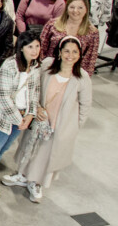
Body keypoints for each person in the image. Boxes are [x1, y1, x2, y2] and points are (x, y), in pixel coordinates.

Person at [11, 37, 92, 202]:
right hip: (39, 119)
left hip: (59, 126)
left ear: (80, 55)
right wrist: (37, 108)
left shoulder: (82, 78)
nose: (70, 55)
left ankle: (36, 183)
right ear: (60, 52)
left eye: (75, 52)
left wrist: (74, 127)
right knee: (29, 146)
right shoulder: (48, 66)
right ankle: (22, 175)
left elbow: (85, 106)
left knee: (45, 155)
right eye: (67, 51)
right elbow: (34, 87)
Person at [0, 31, 42, 206]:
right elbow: (3, 98)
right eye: (30, 47)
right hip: (4, 117)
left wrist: (30, 115)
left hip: (21, 119)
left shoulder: (35, 67)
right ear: (21, 48)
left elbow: (34, 94)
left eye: (37, 46)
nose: (34, 50)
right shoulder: (9, 66)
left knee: (0, 152)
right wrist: (19, 119)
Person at [40, 0, 100, 76]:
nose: (75, 11)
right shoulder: (52, 24)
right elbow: (42, 48)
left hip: (74, 74)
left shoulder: (92, 32)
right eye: (72, 7)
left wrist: (83, 79)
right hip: (50, 70)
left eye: (80, 8)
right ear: (67, 9)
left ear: (86, 10)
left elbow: (90, 60)